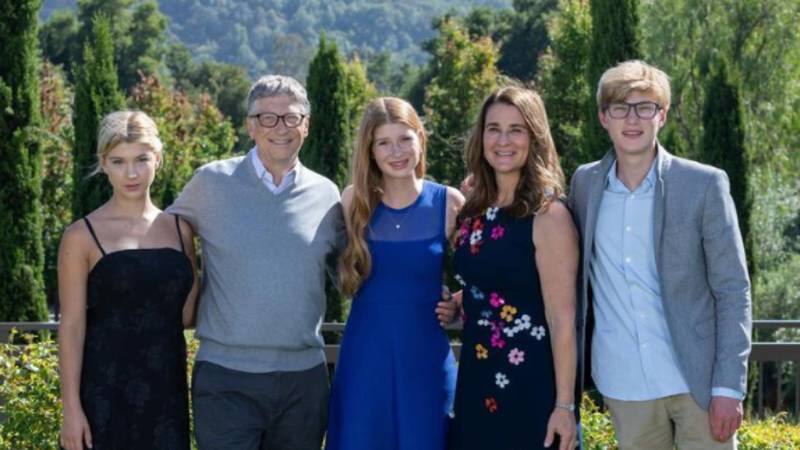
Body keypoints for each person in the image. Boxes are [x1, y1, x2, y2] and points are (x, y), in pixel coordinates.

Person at [568, 60, 752, 450]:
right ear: (604, 117)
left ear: (662, 115)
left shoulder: (703, 184)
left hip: (698, 382)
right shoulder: (584, 185)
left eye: (645, 107)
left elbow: (733, 291)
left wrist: (728, 386)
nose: (632, 119)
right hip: (624, 384)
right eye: (620, 107)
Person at [166, 75, 344, 450]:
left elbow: (354, 274)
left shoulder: (327, 195)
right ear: (250, 125)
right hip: (225, 379)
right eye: (267, 118)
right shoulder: (211, 182)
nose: (280, 128)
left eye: (291, 117)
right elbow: (162, 235)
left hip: (304, 381)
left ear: (306, 125)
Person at [325, 97, 463, 450]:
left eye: (405, 139)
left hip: (426, 360)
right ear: (369, 151)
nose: (396, 151)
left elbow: (487, 276)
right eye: (383, 143)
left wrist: (457, 302)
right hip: (364, 359)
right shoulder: (353, 201)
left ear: (420, 139)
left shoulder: (449, 202)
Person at [58, 110, 198, 450]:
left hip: (167, 393)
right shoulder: (81, 236)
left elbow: (186, 316)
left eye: (141, 159)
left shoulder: (181, 231)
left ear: (158, 159)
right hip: (102, 396)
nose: (131, 173)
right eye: (119, 161)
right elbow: (72, 326)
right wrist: (71, 410)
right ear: (103, 164)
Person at [449, 86, 579, 450]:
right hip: (476, 380)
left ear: (534, 137)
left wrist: (565, 406)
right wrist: (461, 301)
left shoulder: (548, 215)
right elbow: (494, 281)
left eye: (516, 129)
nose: (503, 140)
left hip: (531, 387)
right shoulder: (475, 209)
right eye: (494, 129)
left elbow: (562, 319)